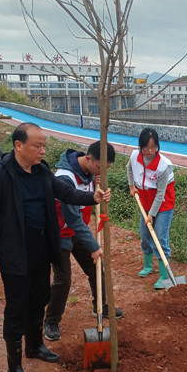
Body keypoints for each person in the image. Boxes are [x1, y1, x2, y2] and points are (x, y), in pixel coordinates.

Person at [0, 122, 111, 372]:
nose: (42, 151)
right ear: (18, 145)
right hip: (14, 251)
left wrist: (92, 198)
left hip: (41, 246)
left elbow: (65, 193)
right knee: (17, 306)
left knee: (39, 297)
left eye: (44, 146)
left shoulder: (41, 172)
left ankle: (35, 346)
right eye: (37, 146)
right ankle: (13, 367)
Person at [44, 141, 123, 342]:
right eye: (100, 168)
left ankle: (102, 305)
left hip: (77, 230)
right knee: (63, 279)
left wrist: (97, 184)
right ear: (88, 159)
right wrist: (94, 246)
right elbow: (72, 217)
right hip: (59, 233)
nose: (102, 173)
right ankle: (51, 321)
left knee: (97, 268)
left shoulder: (88, 172)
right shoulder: (65, 178)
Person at [127, 127, 176, 289]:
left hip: (163, 204)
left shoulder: (163, 166)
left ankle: (164, 276)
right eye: (146, 147)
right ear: (140, 146)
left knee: (160, 237)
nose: (149, 151)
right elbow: (129, 168)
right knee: (145, 234)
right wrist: (131, 186)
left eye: (153, 147)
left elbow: (161, 194)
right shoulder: (135, 156)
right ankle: (148, 266)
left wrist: (152, 215)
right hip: (146, 202)